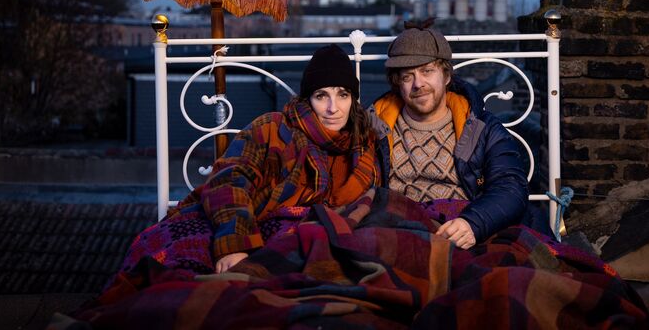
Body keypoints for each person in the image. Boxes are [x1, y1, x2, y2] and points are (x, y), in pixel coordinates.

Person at [187, 44, 378, 273]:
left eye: (343, 95)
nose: (332, 108)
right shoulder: (273, 128)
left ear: (352, 99)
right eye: (321, 96)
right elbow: (228, 180)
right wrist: (235, 245)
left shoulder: (364, 144)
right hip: (261, 234)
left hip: (327, 245)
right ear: (308, 99)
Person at [370, 20, 529, 249]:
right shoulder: (376, 128)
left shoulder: (478, 127)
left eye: (427, 71)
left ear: (446, 76)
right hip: (399, 234)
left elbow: (511, 186)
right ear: (398, 84)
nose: (418, 84)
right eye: (407, 76)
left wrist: (474, 223)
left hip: (462, 234)